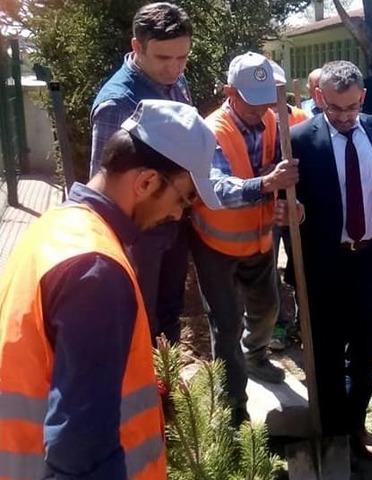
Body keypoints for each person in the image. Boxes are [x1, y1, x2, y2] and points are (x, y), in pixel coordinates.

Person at [0, 99, 221, 479]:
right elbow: (80, 447)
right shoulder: (96, 270)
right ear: (147, 181)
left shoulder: (58, 226)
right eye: (183, 200)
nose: (176, 215)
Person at [188, 52, 299, 425]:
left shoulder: (274, 120)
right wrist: (266, 183)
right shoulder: (211, 130)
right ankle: (234, 405)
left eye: (267, 100)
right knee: (226, 324)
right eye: (252, 102)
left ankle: (256, 355)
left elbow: (311, 127)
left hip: (260, 242)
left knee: (267, 309)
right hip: (216, 247)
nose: (261, 109)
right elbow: (216, 187)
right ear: (228, 92)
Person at [290, 60, 372, 460]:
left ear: (362, 98)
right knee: (327, 349)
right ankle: (331, 430)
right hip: (324, 261)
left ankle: (356, 424)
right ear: (319, 98)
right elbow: (288, 204)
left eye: (352, 108)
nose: (346, 117)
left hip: (367, 259)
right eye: (336, 109)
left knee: (364, 348)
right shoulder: (298, 139)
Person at [90, 2, 193, 344]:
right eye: (164, 59)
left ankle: (169, 391)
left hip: (173, 220)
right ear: (137, 47)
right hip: (138, 234)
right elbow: (103, 187)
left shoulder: (178, 84)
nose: (174, 68)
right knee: (140, 323)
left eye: (182, 58)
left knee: (169, 313)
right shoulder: (117, 103)